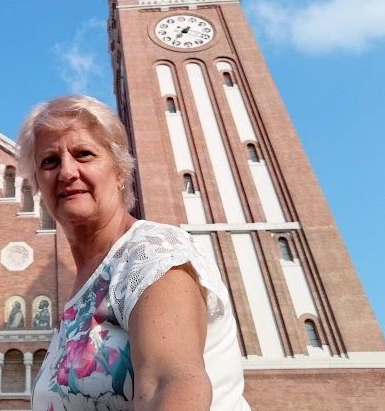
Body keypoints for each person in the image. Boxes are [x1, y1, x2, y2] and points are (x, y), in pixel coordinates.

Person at [17, 95, 250, 411]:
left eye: (84, 154)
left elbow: (169, 384)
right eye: (49, 162)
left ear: (119, 172)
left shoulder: (150, 250)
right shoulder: (85, 286)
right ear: (37, 183)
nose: (67, 172)